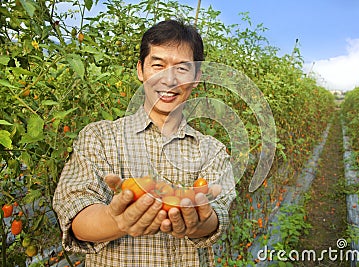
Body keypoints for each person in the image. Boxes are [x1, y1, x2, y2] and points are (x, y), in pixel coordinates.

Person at [53, 19, 236, 267]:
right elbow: (75, 211)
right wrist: (116, 219)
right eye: (157, 65)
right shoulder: (99, 138)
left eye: (182, 69)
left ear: (196, 77)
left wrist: (197, 220)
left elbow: (218, 215)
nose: (168, 80)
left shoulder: (212, 151)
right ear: (140, 70)